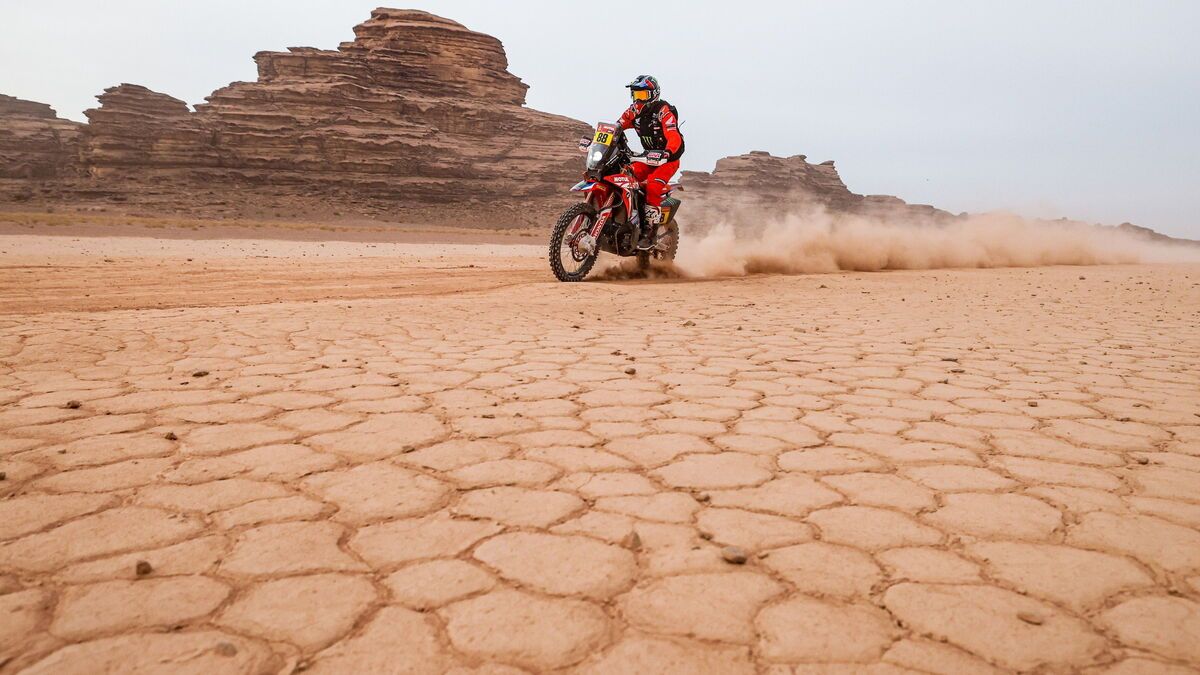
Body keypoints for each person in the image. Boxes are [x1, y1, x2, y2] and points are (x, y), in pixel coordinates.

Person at [618, 75, 685, 248]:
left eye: (643, 95)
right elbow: (617, 126)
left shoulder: (664, 111)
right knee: (624, 176)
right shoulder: (633, 111)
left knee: (654, 186)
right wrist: (601, 139)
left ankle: (650, 230)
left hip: (668, 160)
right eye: (636, 95)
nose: (639, 100)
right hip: (648, 157)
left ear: (653, 94)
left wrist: (668, 152)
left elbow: (673, 135)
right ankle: (626, 218)